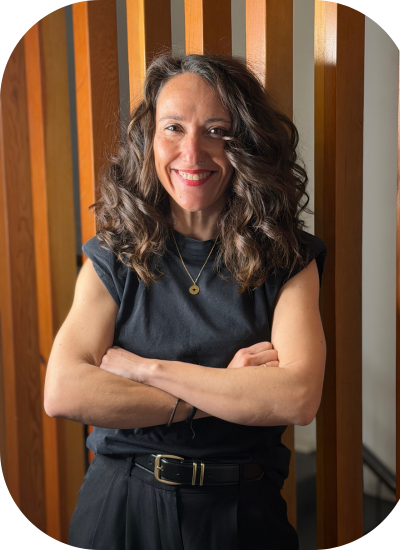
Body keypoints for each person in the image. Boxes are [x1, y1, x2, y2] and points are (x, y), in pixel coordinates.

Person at [44, 53, 327, 550]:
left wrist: (148, 370)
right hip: (122, 504)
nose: (192, 153)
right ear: (150, 140)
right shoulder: (115, 253)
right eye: (173, 128)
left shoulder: (288, 257)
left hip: (243, 511)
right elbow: (64, 391)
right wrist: (225, 393)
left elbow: (297, 397)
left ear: (245, 143)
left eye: (217, 131)